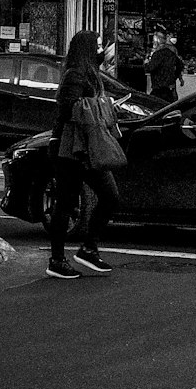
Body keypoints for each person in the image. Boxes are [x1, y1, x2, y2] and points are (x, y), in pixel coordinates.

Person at [46, 30, 119, 279]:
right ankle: (57, 259)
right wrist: (96, 107)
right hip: (69, 146)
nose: (101, 49)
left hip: (86, 146)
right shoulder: (75, 75)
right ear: (87, 49)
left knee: (110, 195)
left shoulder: (89, 72)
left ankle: (88, 248)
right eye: (97, 46)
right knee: (65, 202)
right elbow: (67, 109)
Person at [144, 30, 183, 103]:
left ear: (158, 40)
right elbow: (180, 65)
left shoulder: (157, 55)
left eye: (154, 40)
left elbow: (150, 68)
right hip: (169, 88)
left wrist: (146, 63)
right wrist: (174, 77)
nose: (153, 43)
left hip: (158, 87)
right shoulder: (171, 53)